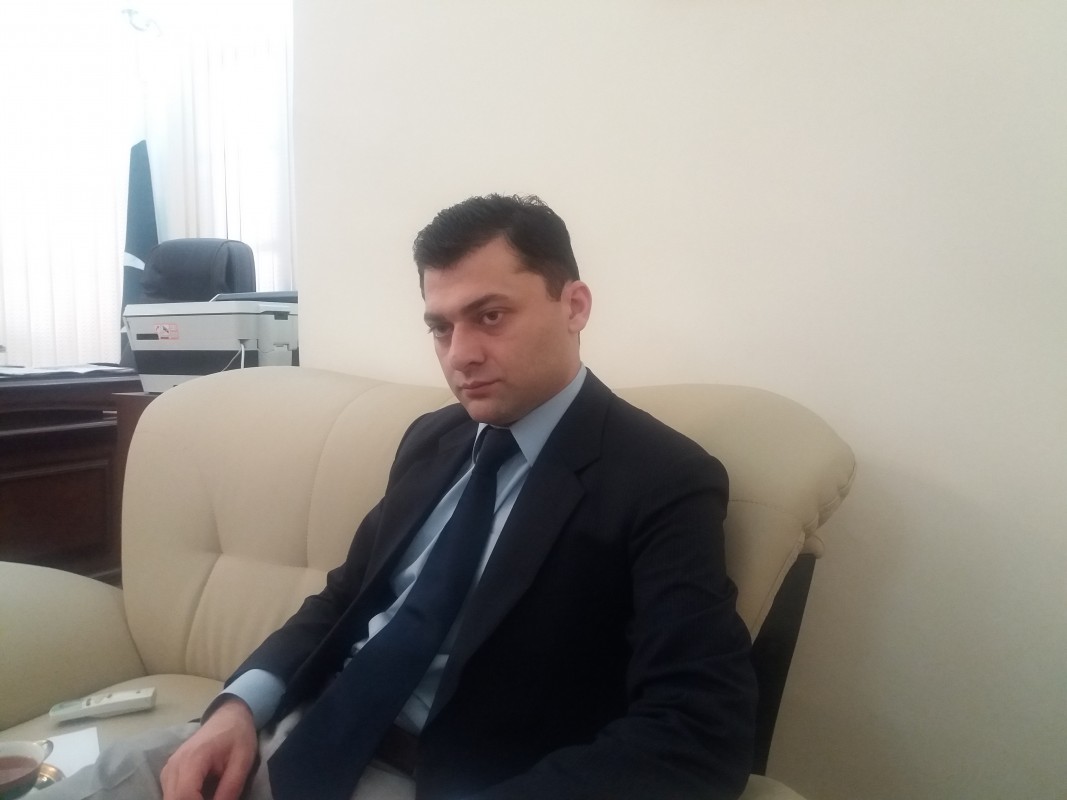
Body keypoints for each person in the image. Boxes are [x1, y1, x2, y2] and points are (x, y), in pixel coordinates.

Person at [43, 194, 757, 800]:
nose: (459, 354)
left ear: (574, 305)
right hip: (292, 729)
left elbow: (699, 728)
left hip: (431, 779)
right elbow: (343, 598)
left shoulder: (660, 478)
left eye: (490, 316)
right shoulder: (432, 440)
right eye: (440, 327)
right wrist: (236, 708)